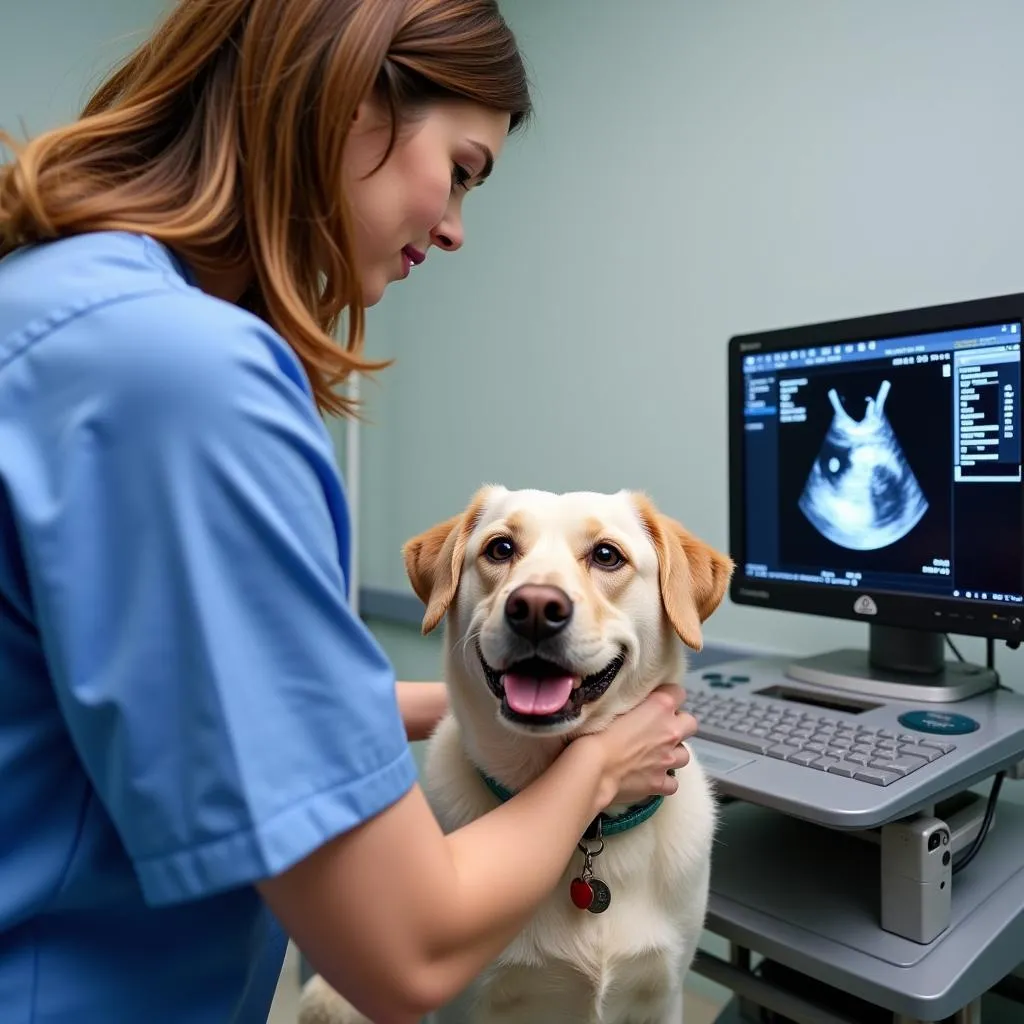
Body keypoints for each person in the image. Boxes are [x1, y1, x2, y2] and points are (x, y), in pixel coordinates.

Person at [0, 1, 698, 1022]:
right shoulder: (182, 381)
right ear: (353, 97)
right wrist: (596, 762)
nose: (456, 226)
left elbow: (193, 714)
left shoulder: (63, 302)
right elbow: (405, 949)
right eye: (459, 170)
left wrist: (472, 701)